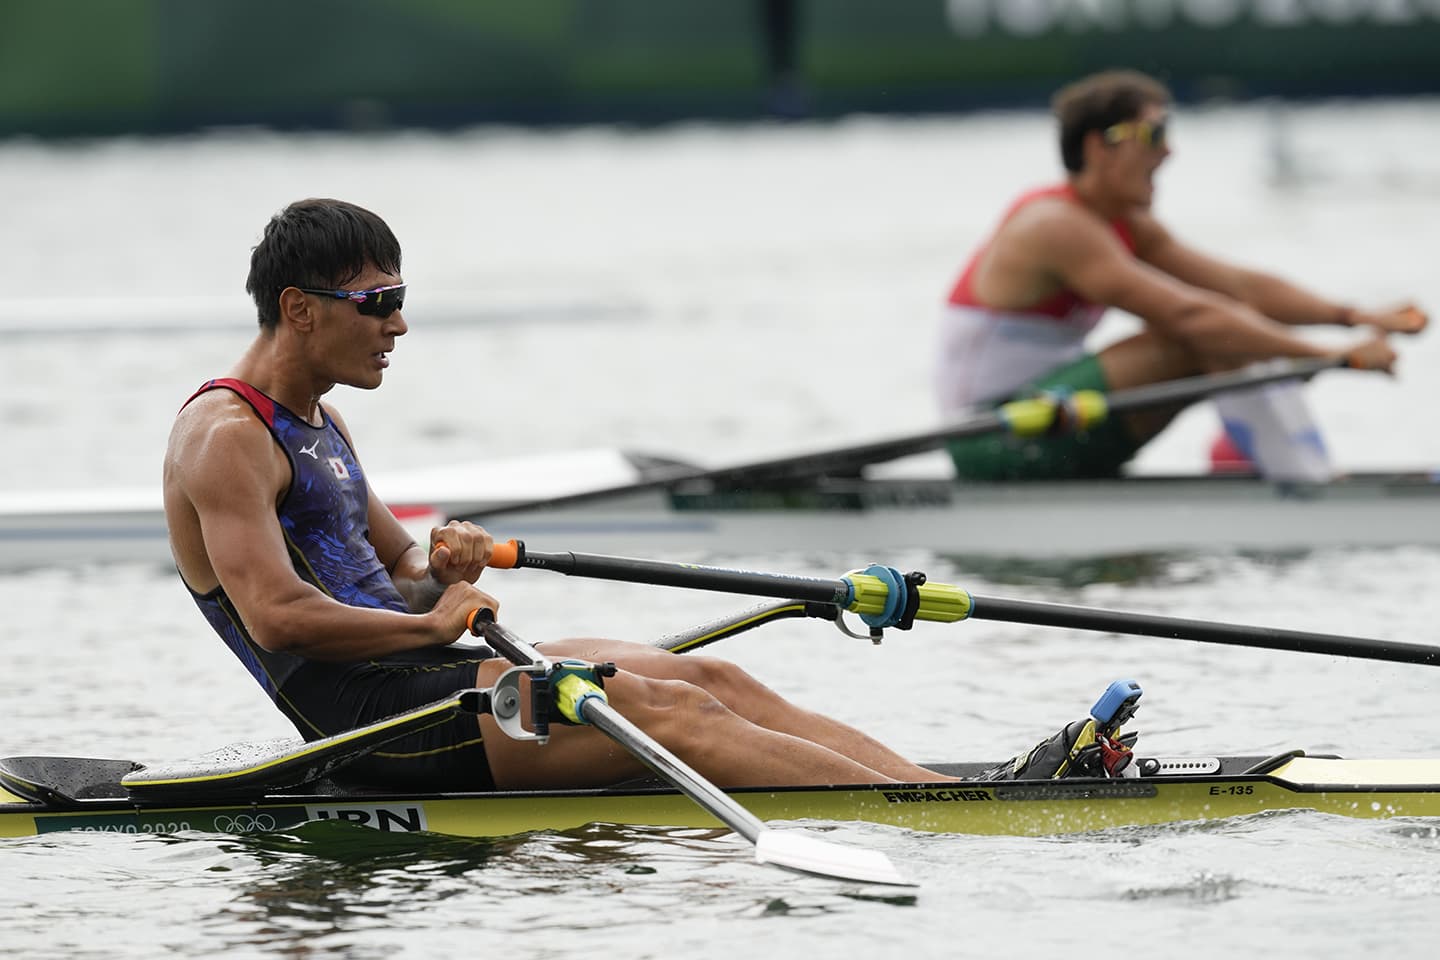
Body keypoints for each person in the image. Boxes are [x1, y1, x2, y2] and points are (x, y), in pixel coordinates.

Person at [163, 197, 1101, 794]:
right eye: (378, 303)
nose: (399, 323)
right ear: (299, 309)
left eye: (400, 297)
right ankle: (938, 810)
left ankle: (935, 786)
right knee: (674, 715)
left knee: (708, 678)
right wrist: (434, 624)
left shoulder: (323, 420)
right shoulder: (225, 440)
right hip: (375, 728)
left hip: (427, 679)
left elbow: (400, 574)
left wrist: (439, 567)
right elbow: (282, 618)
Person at [935, 69, 1427, 483]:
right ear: (1098, 147)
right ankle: (1287, 473)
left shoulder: (1124, 222)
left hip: (1052, 420)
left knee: (1230, 327)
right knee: (1196, 337)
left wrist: (1353, 315)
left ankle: (1269, 463)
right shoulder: (1055, 226)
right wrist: (1332, 355)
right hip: (990, 437)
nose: (1168, 152)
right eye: (1152, 134)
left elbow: (1239, 287)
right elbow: (1189, 314)